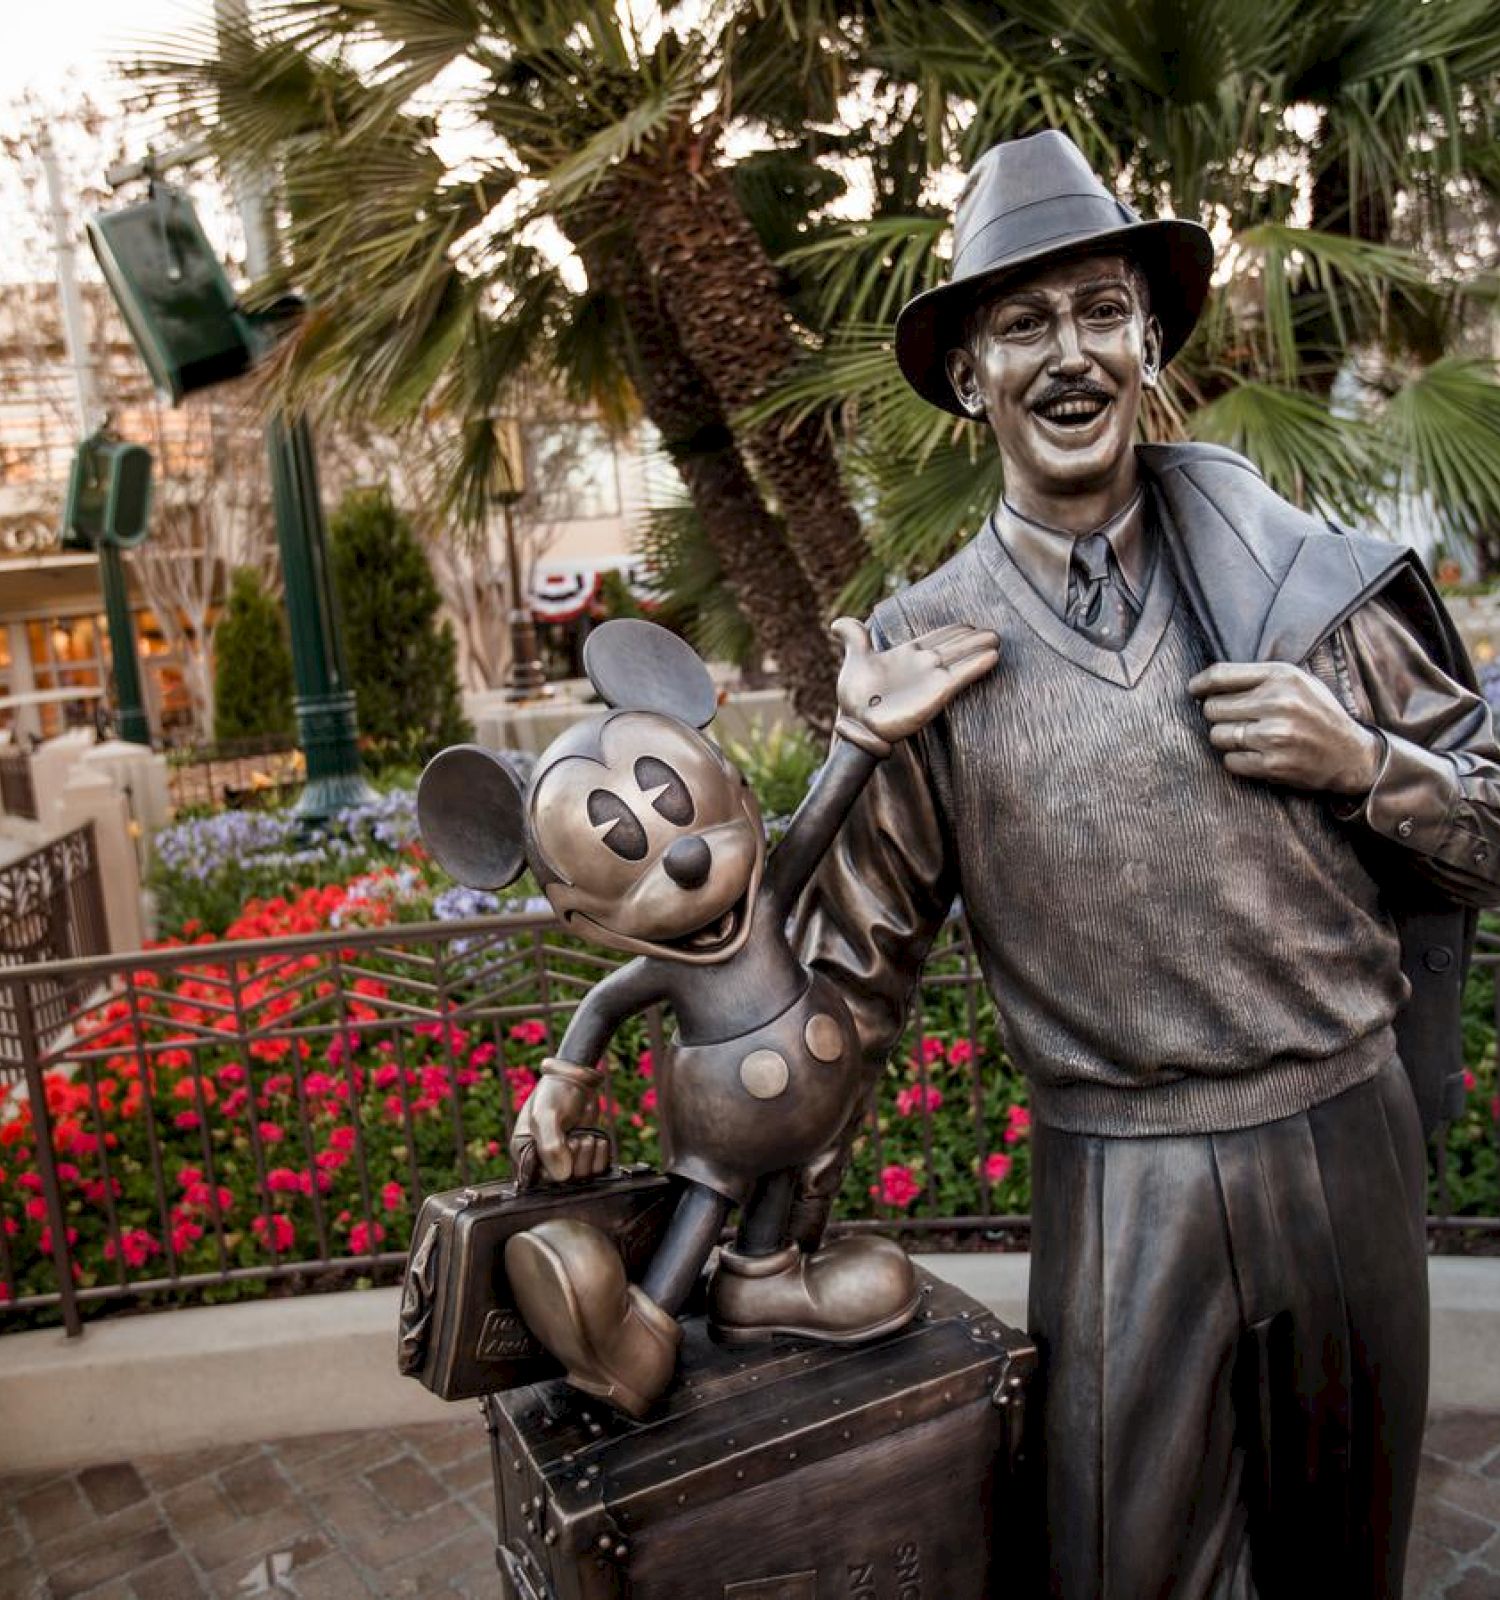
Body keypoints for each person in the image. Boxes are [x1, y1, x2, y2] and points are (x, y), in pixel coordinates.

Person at [792, 129, 1500, 1598]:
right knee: (1122, 1566)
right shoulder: (925, 659)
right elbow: (844, 988)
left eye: (1102, 311)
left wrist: (1364, 762)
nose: (1070, 355)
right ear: (968, 376)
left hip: (1345, 1143)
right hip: (1122, 1183)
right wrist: (694, 1193)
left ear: (1151, 341)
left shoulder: (1307, 587)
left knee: (1346, 1566)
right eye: (1023, 323)